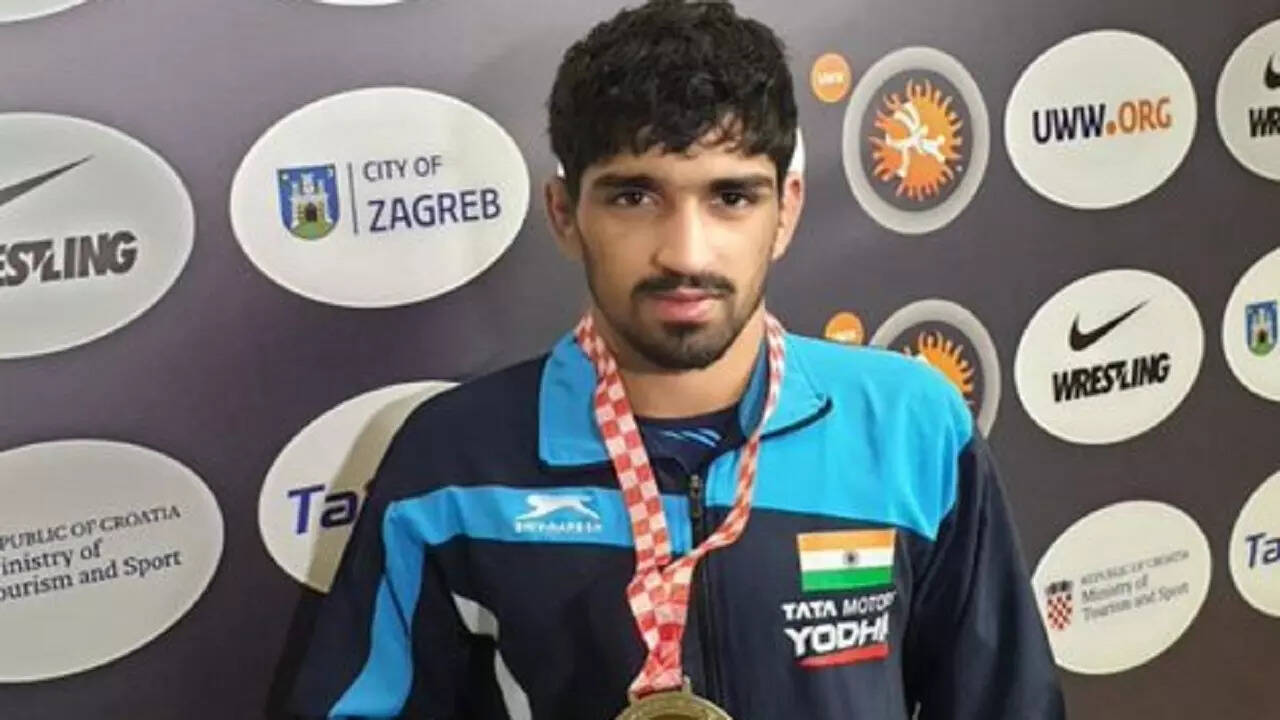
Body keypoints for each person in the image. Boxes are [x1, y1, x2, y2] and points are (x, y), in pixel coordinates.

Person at [281, 1, 1065, 718]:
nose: (686, 254)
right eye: (634, 196)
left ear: (786, 212)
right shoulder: (450, 463)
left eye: (731, 197)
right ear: (565, 214)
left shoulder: (911, 427)